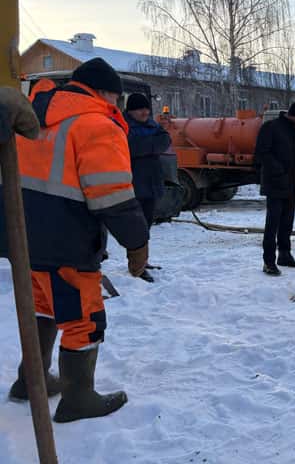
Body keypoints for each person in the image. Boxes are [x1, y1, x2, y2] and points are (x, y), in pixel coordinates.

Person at [0, 57, 149, 422]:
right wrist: (137, 243)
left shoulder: (30, 117)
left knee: (43, 307)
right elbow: (113, 196)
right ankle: (79, 398)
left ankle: (30, 381)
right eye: (115, 98)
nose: (116, 105)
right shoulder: (95, 125)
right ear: (103, 93)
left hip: (21, 240)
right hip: (66, 242)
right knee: (84, 318)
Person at [255, 101, 295, 276]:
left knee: (287, 223)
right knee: (273, 224)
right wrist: (279, 170)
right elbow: (262, 153)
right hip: (275, 184)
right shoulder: (271, 128)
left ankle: (284, 255)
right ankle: (268, 262)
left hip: (292, 184)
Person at [124, 92, 172, 282]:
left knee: (146, 225)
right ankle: (137, 267)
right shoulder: (124, 126)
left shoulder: (152, 125)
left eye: (146, 109)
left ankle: (143, 261)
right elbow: (131, 147)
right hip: (134, 183)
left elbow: (165, 140)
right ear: (131, 110)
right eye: (140, 109)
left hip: (151, 182)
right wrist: (152, 146)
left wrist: (147, 147)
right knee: (136, 228)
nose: (145, 112)